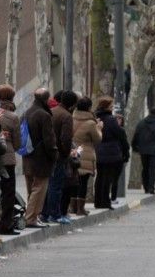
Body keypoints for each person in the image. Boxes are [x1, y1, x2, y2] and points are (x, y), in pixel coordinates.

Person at [23, 88, 58, 228]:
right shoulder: (44, 115)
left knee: (31, 189)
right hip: (41, 158)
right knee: (39, 188)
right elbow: (49, 139)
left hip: (27, 156)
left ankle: (31, 216)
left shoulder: (26, 113)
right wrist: (54, 154)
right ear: (46, 99)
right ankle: (31, 218)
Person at [41, 90, 77, 224]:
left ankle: (44, 213)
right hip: (60, 155)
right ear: (72, 104)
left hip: (48, 153)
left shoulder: (52, 111)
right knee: (56, 186)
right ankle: (55, 214)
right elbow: (66, 138)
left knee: (48, 185)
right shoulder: (66, 116)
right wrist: (67, 153)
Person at [71, 97, 103, 216]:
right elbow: (97, 139)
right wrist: (99, 128)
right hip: (85, 154)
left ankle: (72, 207)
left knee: (74, 181)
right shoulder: (91, 123)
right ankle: (80, 208)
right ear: (89, 108)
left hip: (73, 152)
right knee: (83, 182)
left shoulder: (71, 118)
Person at [94, 97, 127, 209]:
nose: (112, 108)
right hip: (110, 152)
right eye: (111, 106)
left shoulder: (96, 117)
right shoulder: (111, 119)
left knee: (99, 177)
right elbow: (119, 133)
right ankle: (105, 202)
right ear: (107, 106)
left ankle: (98, 201)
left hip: (98, 150)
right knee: (107, 178)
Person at [0, 85, 21, 235]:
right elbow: (18, 144)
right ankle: (6, 225)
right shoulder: (13, 117)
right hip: (7, 158)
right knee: (8, 193)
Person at [131, 108, 155, 194]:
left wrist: (135, 147)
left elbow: (136, 136)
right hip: (154, 152)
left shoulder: (141, 124)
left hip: (143, 150)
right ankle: (151, 187)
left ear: (149, 113)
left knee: (145, 168)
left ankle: (146, 187)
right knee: (152, 169)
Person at [111, 113, 130, 204]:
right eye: (117, 119)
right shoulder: (117, 130)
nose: (118, 121)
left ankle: (113, 197)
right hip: (114, 156)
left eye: (120, 119)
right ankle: (110, 197)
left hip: (118, 156)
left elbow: (125, 145)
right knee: (110, 179)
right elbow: (125, 145)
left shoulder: (122, 130)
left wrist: (126, 156)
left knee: (115, 179)